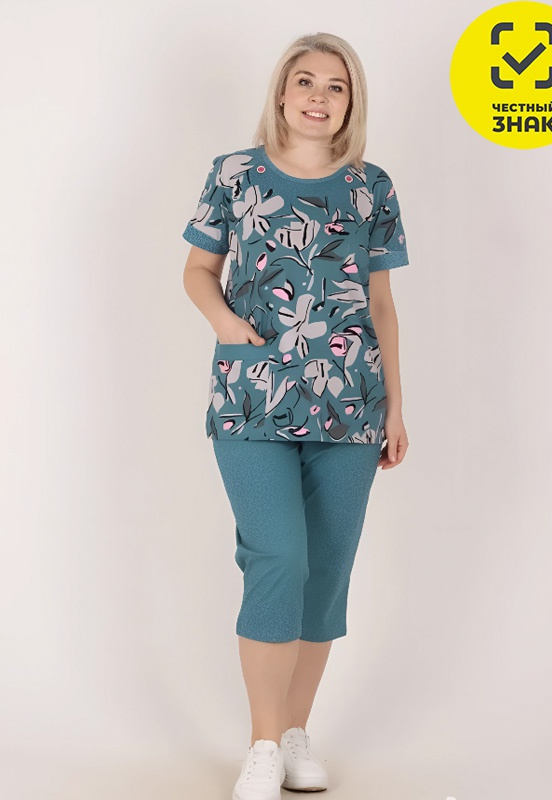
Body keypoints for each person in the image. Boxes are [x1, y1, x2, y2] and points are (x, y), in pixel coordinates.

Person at [182, 31, 411, 800]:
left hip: (351, 407)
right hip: (250, 399)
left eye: (335, 86)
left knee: (326, 573)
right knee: (277, 557)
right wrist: (224, 323)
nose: (318, 96)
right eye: (305, 81)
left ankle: (292, 735)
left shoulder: (371, 187)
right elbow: (197, 269)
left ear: (351, 103)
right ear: (281, 93)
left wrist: (396, 407)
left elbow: (381, 304)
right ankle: (260, 745)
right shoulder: (234, 175)